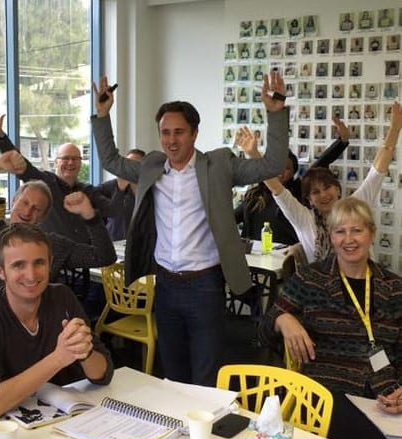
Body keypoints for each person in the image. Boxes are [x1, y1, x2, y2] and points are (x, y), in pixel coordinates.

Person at [91, 73, 289, 386]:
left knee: (205, 373)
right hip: (166, 285)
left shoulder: (220, 164)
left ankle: (203, 431)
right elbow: (111, 160)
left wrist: (276, 112)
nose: (171, 140)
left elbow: (272, 164)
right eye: (165, 133)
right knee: (171, 372)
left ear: (195, 133)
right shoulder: (151, 167)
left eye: (179, 132)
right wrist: (103, 116)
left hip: (205, 286)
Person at [259, 197, 402, 439]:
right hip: (326, 391)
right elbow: (264, 328)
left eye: (357, 230)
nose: (349, 239)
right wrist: (283, 319)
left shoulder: (394, 287)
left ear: (372, 234)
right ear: (332, 237)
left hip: (384, 394)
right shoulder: (310, 279)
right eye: (340, 231)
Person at [0, 224, 113, 420]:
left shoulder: (62, 297)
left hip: (46, 418)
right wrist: (58, 358)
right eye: (18, 265)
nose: (31, 275)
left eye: (39, 263)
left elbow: (103, 375)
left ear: (50, 264)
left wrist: (84, 351)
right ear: (1, 271)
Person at [0, 151, 116, 305]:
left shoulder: (52, 245)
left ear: (42, 217)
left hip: (16, 329)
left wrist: (89, 215)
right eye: (25, 203)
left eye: (36, 209)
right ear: (14, 201)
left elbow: (104, 257)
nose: (28, 211)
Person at [262, 102, 402, 263]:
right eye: (315, 192)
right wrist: (253, 154)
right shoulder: (303, 219)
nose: (323, 195)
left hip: (364, 281)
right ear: (309, 200)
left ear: (337, 189)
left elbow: (376, 173)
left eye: (327, 187)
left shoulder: (355, 205)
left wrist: (395, 129)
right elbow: (277, 190)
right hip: (321, 286)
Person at [0, 102, 127, 244]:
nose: (70, 163)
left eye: (75, 159)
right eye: (65, 159)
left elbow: (113, 210)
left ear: (81, 163)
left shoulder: (87, 191)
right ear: (55, 162)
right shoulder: (45, 182)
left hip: (83, 261)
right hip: (51, 259)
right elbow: (19, 163)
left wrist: (121, 187)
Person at [234, 117, 350, 246]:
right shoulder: (254, 195)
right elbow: (231, 218)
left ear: (293, 171)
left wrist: (342, 141)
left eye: (287, 168)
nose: (280, 172)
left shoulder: (298, 190)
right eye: (277, 167)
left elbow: (320, 163)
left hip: (286, 257)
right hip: (253, 257)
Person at [97, 149, 145, 241]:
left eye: (135, 165)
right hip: (114, 245)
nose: (131, 169)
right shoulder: (108, 187)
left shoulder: (151, 189)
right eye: (128, 164)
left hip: (140, 246)